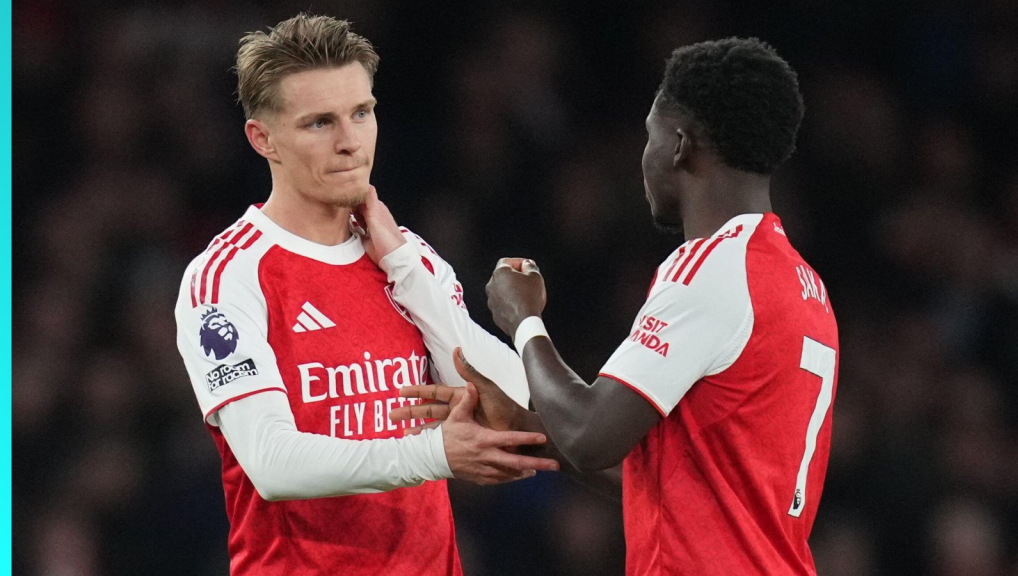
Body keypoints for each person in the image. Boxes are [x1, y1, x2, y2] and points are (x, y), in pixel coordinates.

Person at [385, 38, 839, 575]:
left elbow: (588, 436)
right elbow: (651, 479)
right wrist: (520, 425)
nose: (643, 159)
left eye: (650, 136)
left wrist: (524, 321)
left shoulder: (713, 270)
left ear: (679, 145)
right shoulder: (803, 285)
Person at [173, 14, 558, 576]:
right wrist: (433, 454)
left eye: (361, 112)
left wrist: (406, 268)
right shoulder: (227, 276)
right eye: (319, 123)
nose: (350, 142)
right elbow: (272, 462)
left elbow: (515, 405)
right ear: (263, 139)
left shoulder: (407, 258)